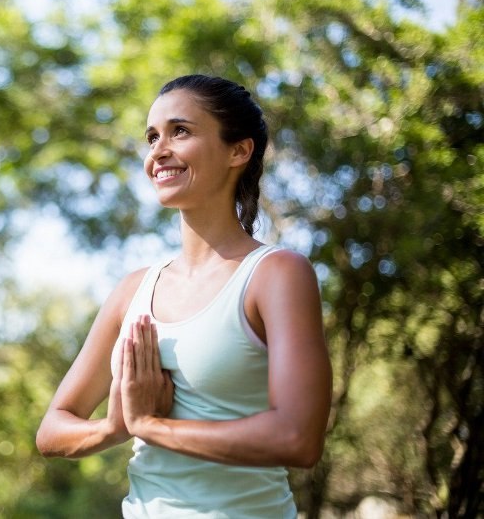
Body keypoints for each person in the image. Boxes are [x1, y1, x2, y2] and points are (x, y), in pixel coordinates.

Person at [36, 74, 332, 518]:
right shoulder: (133, 291)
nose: (158, 150)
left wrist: (151, 426)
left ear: (239, 150)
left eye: (181, 131)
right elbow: (52, 429)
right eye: (152, 136)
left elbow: (298, 439)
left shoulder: (276, 275)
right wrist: (115, 428)